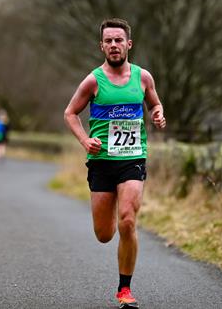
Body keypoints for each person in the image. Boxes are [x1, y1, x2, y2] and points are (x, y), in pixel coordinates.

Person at [64, 18, 166, 308]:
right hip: (101, 162)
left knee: (128, 220)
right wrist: (85, 141)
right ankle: (110, 221)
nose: (113, 45)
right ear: (102, 46)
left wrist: (158, 114)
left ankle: (124, 289)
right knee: (104, 234)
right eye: (108, 41)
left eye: (118, 40)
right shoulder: (93, 80)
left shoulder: (143, 78)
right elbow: (70, 113)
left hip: (132, 157)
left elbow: (155, 104)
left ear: (128, 44)